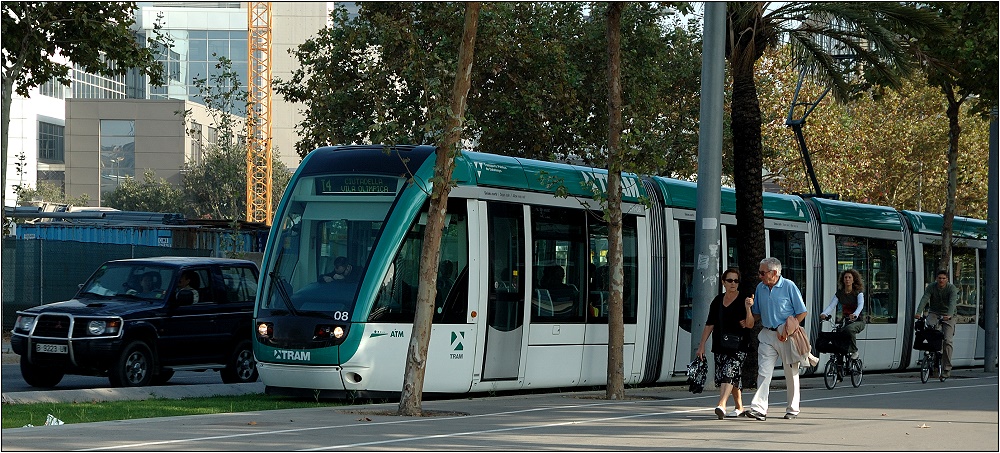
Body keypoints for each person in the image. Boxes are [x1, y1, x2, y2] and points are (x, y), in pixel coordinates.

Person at [745, 257, 808, 421]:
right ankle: (759, 408)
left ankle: (793, 409)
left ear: (773, 273)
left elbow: (802, 311)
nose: (759, 276)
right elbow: (757, 314)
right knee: (763, 372)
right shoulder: (761, 287)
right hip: (767, 333)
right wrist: (749, 311)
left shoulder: (789, 286)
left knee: (791, 373)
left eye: (762, 272)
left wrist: (790, 328)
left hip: (787, 335)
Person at [695, 268, 754, 420]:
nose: (733, 283)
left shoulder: (744, 299)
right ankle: (739, 407)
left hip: (739, 345)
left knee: (728, 373)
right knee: (729, 376)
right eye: (730, 280)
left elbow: (750, 324)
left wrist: (748, 309)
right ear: (723, 282)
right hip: (720, 344)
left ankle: (721, 404)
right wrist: (702, 345)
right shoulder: (717, 300)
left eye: (736, 281)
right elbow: (709, 324)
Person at [915, 269, 958, 378]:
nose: (941, 280)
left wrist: (949, 315)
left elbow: (952, 302)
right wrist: (918, 312)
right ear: (936, 279)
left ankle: (947, 368)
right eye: (939, 278)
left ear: (947, 279)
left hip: (949, 315)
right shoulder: (931, 287)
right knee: (930, 332)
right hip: (934, 312)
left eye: (944, 278)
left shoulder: (951, 289)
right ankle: (931, 358)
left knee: (948, 340)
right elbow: (925, 298)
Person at [819, 269, 867, 359]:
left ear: (853, 280)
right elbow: (831, 306)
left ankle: (854, 350)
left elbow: (860, 305)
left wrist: (855, 314)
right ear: (843, 280)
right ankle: (839, 366)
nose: (847, 279)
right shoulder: (840, 293)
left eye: (849, 277)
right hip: (846, 321)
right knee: (837, 334)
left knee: (849, 329)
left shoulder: (858, 293)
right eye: (845, 277)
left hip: (859, 321)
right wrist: (824, 313)